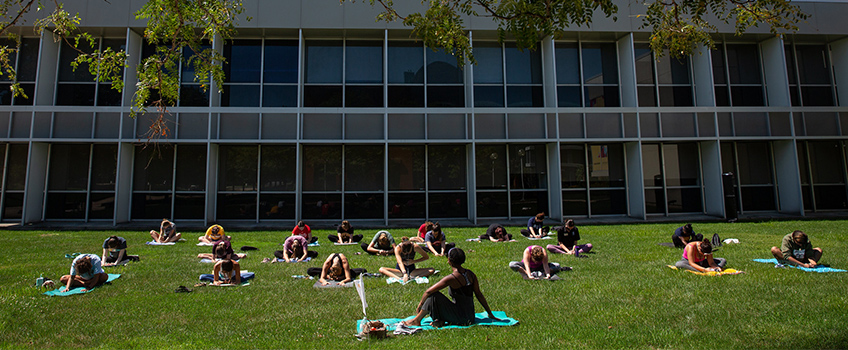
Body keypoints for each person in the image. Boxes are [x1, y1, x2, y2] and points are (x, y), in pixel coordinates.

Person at [402, 248, 498, 327]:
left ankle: (416, 320)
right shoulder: (471, 274)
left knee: (434, 296)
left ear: (449, 260)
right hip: (470, 316)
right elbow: (479, 295)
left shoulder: (451, 278)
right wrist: (490, 313)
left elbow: (428, 292)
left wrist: (420, 305)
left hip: (461, 318)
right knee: (437, 298)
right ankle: (440, 320)